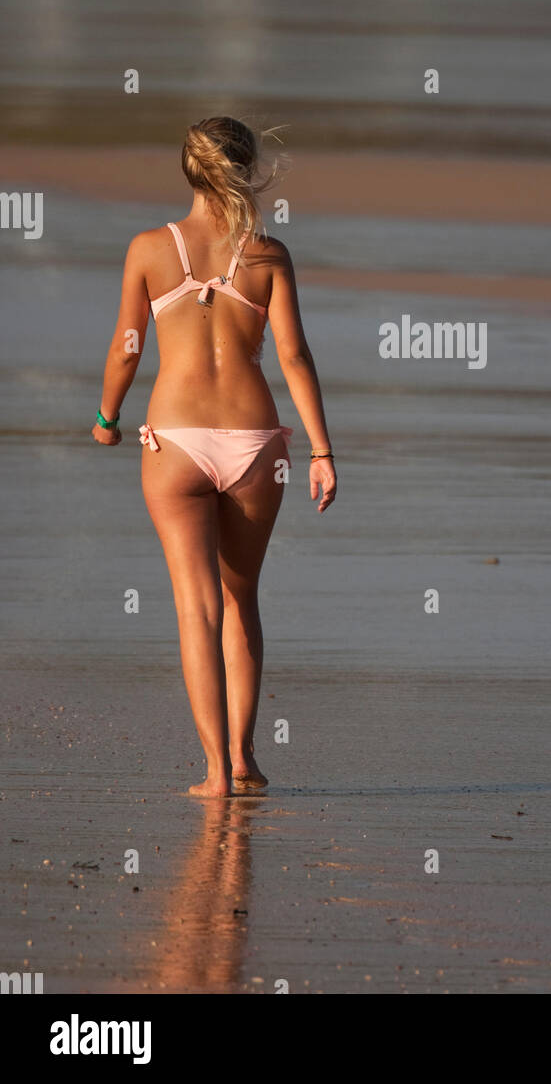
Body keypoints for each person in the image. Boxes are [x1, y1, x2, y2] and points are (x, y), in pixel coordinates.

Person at [91, 117, 336, 796]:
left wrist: (107, 418)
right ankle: (245, 760)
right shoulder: (268, 255)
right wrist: (321, 449)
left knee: (196, 607)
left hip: (175, 444)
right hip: (258, 447)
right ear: (247, 169)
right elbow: (292, 355)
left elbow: (126, 348)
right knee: (241, 600)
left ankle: (212, 775)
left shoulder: (150, 247)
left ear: (187, 170)